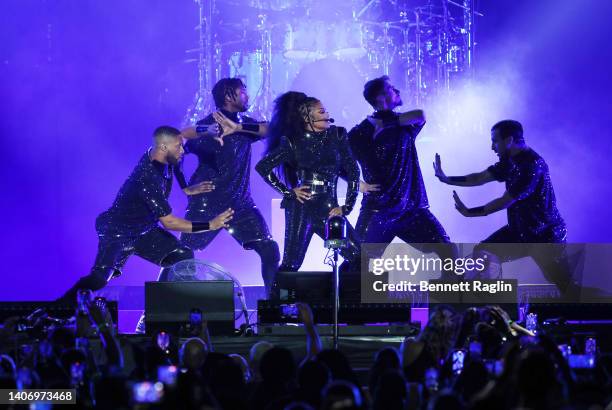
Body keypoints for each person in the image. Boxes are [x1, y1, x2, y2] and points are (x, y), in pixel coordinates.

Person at [58, 126, 233, 303]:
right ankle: (54, 310)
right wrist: (211, 225)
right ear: (164, 147)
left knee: (182, 256)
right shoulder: (147, 179)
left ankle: (161, 311)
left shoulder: (163, 154)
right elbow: (170, 223)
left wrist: (209, 130)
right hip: (118, 230)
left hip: (144, 230)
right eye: (179, 146)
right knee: (100, 278)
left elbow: (182, 134)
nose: (183, 150)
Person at [434, 119, 578, 295]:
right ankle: (493, 306)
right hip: (519, 231)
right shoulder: (510, 161)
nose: (492, 147)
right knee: (484, 251)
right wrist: (447, 179)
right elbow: (480, 177)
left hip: (544, 235)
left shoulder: (531, 166)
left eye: (495, 141)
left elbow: (505, 201)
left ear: (509, 140)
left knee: (568, 288)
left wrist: (470, 212)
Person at [179, 78, 280, 296]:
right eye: (243, 91)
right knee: (180, 255)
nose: (248, 96)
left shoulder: (244, 126)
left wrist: (238, 127)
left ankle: (274, 309)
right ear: (228, 96)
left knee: (269, 249)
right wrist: (185, 188)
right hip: (208, 202)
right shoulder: (206, 127)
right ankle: (157, 313)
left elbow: (272, 130)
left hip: (241, 205)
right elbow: (173, 147)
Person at [347, 76, 456, 276]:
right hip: (378, 212)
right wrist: (357, 183)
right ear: (380, 97)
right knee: (357, 263)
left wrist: (387, 124)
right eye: (390, 88)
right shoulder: (359, 133)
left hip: (411, 209)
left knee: (448, 252)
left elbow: (421, 115)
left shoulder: (403, 124)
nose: (397, 90)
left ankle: (441, 305)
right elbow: (340, 162)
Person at [255, 91, 361, 274]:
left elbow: (353, 171)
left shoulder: (338, 135)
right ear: (306, 117)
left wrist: (347, 207)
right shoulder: (292, 141)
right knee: (291, 264)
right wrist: (288, 192)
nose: (327, 115)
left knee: (360, 256)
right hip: (301, 208)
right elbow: (263, 167)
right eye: (321, 112)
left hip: (329, 207)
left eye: (326, 111)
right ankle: (278, 302)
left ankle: (343, 297)